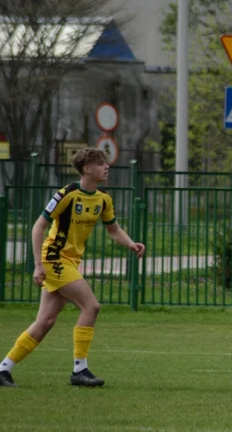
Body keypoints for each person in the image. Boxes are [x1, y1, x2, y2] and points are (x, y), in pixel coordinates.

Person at [0, 148, 145, 388]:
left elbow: (113, 229)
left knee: (45, 322)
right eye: (101, 164)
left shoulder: (103, 199)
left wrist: (131, 243)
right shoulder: (66, 194)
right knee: (92, 306)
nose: (107, 167)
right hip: (55, 259)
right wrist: (38, 265)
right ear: (87, 168)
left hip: (70, 262)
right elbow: (38, 227)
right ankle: (80, 370)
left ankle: (4, 368)